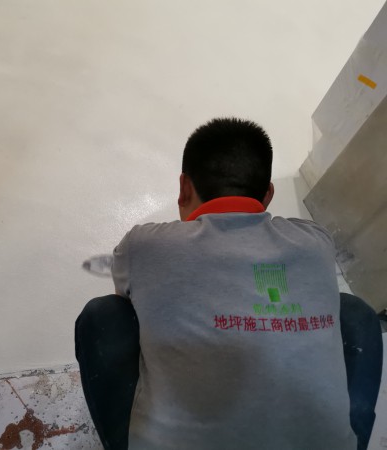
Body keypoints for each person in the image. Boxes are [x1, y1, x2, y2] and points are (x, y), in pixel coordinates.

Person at [75, 118, 382, 450]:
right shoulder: (315, 240)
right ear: (268, 194)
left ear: (184, 188)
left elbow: (128, 302)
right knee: (354, 312)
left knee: (105, 314)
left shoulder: (144, 245)